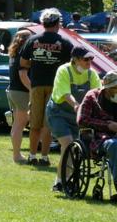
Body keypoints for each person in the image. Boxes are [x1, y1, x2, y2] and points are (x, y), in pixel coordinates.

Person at [19, 10, 72, 166]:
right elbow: (70, 65)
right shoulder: (65, 42)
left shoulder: (32, 40)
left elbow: (22, 63)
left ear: (43, 23)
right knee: (48, 123)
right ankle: (44, 157)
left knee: (34, 123)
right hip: (56, 87)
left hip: (36, 86)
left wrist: (34, 66)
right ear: (57, 24)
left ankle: (32, 155)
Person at [47, 46, 101, 192]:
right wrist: (77, 106)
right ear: (75, 60)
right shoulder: (63, 70)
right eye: (86, 59)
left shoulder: (92, 74)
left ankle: (65, 181)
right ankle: (61, 182)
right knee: (68, 144)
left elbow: (98, 95)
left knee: (76, 150)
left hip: (78, 116)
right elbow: (65, 94)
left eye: (91, 59)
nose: (89, 62)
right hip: (59, 113)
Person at [77, 71, 117, 193]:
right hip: (98, 137)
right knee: (114, 145)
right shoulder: (92, 97)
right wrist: (107, 125)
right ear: (107, 88)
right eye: (115, 87)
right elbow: (82, 120)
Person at [6, 30, 32, 165]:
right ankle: (17, 156)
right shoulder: (23, 54)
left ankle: (17, 154)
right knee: (19, 125)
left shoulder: (13, 53)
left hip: (13, 91)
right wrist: (32, 90)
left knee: (17, 125)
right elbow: (23, 76)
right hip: (22, 92)